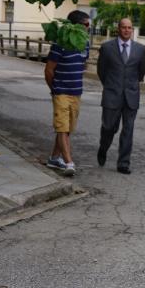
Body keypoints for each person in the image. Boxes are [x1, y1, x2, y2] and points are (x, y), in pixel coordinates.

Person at [96, 18, 145, 175]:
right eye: (124, 27)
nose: (126, 30)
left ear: (132, 30)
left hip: (131, 96)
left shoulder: (140, 49)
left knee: (128, 130)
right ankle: (103, 148)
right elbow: (101, 71)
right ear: (118, 29)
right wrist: (112, 86)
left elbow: (141, 73)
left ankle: (123, 163)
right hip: (112, 95)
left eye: (129, 28)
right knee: (109, 127)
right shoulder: (106, 48)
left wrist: (129, 86)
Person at [44, 10, 91, 176]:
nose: (88, 28)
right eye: (86, 25)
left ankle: (54, 158)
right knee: (62, 127)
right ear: (75, 26)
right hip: (61, 92)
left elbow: (82, 63)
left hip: (76, 92)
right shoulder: (60, 43)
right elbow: (49, 70)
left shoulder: (84, 43)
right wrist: (55, 89)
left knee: (68, 128)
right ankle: (69, 162)